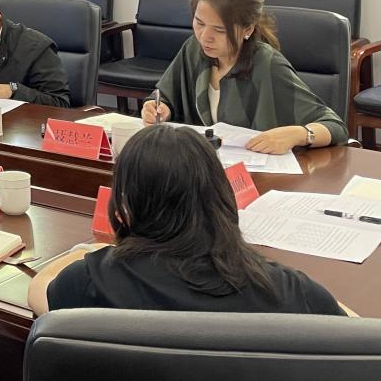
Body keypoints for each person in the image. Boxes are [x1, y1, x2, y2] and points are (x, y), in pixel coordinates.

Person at [28, 125, 350, 316]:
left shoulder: (93, 280)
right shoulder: (283, 288)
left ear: (126, 203)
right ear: (219, 196)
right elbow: (361, 336)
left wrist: (87, 252)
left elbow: (40, 290)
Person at [141, 0, 347, 152]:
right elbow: (166, 96)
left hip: (255, 174)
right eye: (199, 23)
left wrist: (299, 134)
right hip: (200, 167)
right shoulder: (193, 49)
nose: (205, 37)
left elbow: (335, 127)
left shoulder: (267, 64)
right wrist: (158, 108)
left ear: (248, 29)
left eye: (220, 30)